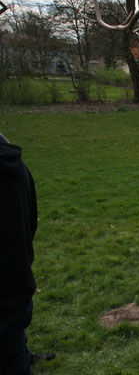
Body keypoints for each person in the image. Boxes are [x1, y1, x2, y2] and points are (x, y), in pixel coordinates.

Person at [0, 133, 54, 374]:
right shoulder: (16, 163)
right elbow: (31, 221)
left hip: (8, 285)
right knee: (12, 336)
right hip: (17, 280)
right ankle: (21, 353)